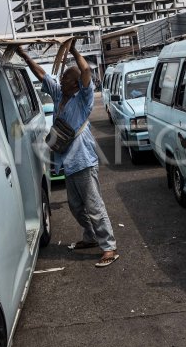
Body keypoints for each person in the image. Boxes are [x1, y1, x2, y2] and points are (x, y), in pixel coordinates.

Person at [16, 43, 119, 267]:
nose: (60, 82)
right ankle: (91, 236)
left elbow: (86, 71)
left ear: (75, 84)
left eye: (64, 80)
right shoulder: (58, 95)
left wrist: (72, 50)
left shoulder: (83, 99)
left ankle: (108, 246)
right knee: (74, 206)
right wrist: (24, 55)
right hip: (68, 162)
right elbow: (42, 75)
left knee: (94, 205)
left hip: (84, 160)